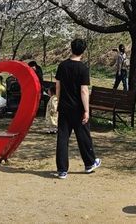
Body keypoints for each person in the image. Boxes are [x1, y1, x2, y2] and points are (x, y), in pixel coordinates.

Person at [55, 38, 101, 179]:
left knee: (62, 138)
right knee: (83, 136)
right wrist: (86, 110)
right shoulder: (83, 68)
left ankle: (62, 170)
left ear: (71, 48)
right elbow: (84, 91)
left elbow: (58, 85)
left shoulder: (62, 66)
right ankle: (89, 163)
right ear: (83, 51)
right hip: (78, 108)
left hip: (64, 107)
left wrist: (59, 100)